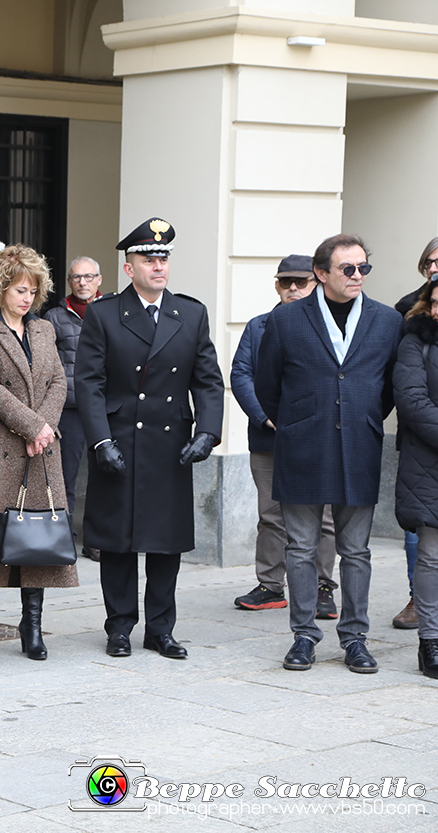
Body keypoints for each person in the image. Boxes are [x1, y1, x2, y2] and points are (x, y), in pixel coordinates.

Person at [74, 217, 224, 660]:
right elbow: (89, 383)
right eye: (148, 259)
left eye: (163, 258)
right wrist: (100, 441)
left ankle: (161, 629)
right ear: (128, 267)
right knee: (118, 542)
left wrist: (208, 432)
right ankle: (119, 627)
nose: (158, 266)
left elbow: (208, 381)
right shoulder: (104, 314)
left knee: (165, 543)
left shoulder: (191, 313)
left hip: (169, 444)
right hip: (119, 440)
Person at [256, 233, 401, 674]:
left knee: (356, 551)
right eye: (348, 269)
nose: (358, 276)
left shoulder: (386, 320)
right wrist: (298, 421)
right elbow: (267, 383)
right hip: (302, 444)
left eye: (363, 268)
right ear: (321, 274)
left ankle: (355, 638)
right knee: (300, 547)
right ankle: (303, 636)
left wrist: (366, 418)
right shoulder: (287, 320)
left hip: (359, 445)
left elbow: (390, 387)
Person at [0, 245, 77, 662]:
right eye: (19, 289)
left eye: (32, 290)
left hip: (40, 450)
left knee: (37, 538)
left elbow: (60, 381)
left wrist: (44, 428)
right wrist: (32, 425)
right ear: (0, 288)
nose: (26, 297)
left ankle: (33, 626)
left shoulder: (44, 329)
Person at [230, 255, 338, 617]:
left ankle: (323, 587)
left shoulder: (329, 326)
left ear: (316, 283)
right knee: (271, 514)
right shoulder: (259, 327)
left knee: (322, 516)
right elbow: (241, 373)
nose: (293, 288)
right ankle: (270, 585)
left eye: (301, 282)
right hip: (269, 437)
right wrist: (264, 416)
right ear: (276, 285)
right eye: (285, 282)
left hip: (318, 439)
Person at [391, 237, 438, 630]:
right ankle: (422, 614)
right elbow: (410, 397)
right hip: (422, 448)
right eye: (431, 261)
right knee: (426, 543)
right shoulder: (410, 321)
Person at [45, 256, 104, 563]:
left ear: (99, 280)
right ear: (70, 281)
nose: (83, 282)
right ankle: (65, 536)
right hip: (68, 408)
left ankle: (96, 540)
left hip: (103, 408)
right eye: (77, 277)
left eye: (88, 276)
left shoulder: (110, 311)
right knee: (65, 476)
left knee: (101, 475)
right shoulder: (55, 316)